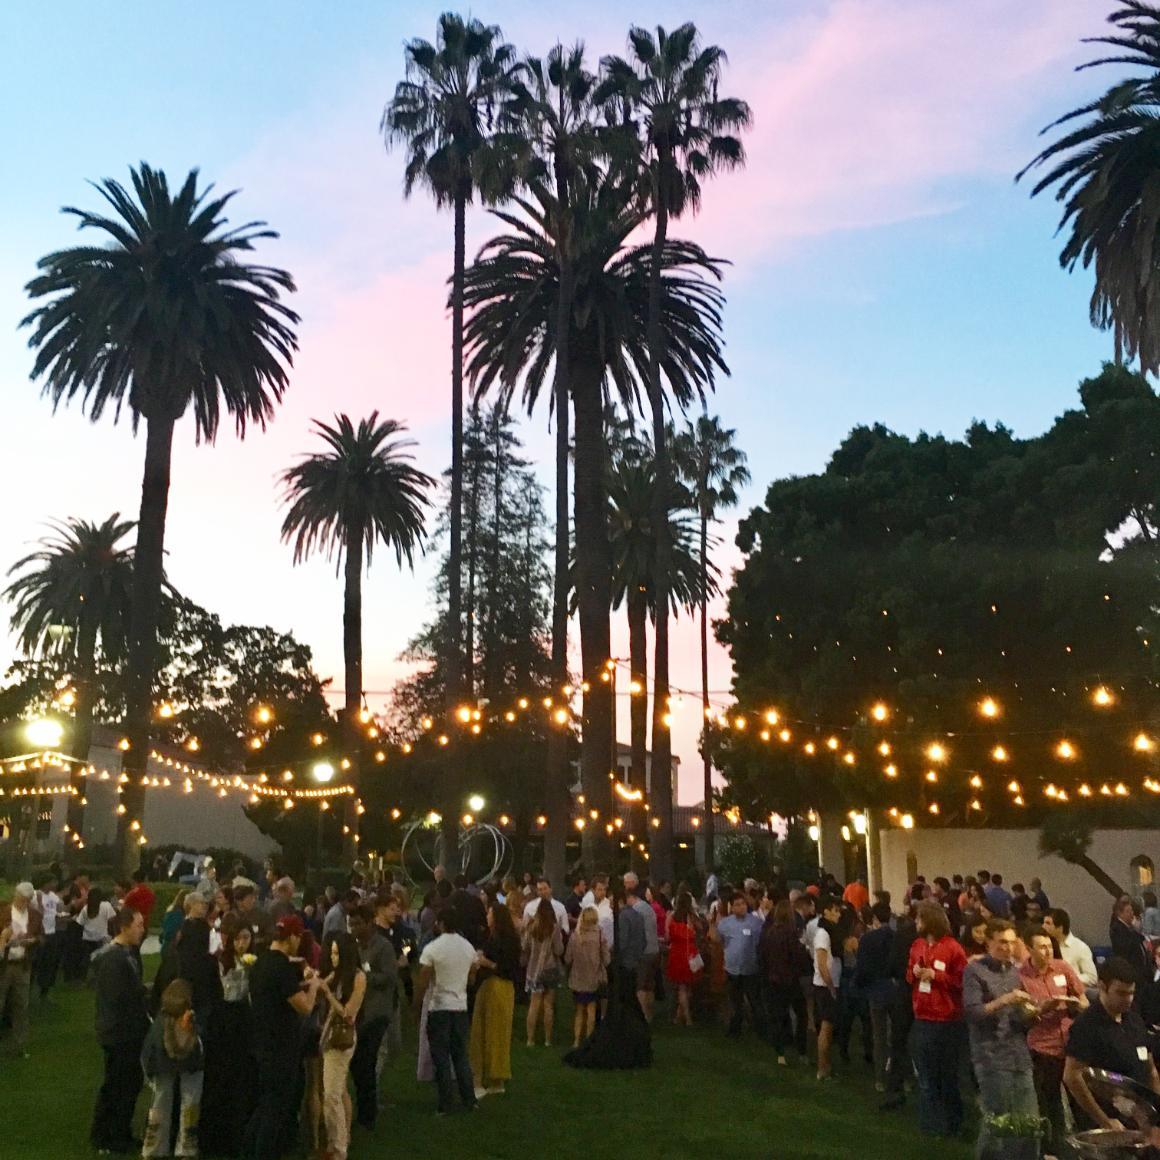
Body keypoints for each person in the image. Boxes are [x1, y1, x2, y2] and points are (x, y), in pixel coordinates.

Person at [244, 915, 320, 1160]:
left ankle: (248, 1149)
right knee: (275, 1108)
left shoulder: (260, 962)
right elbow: (305, 1007)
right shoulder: (282, 968)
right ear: (293, 937)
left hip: (261, 1040)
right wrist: (315, 985)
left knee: (264, 1103)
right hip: (281, 1046)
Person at [963, 918, 1040, 1159]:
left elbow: (1018, 1019)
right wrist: (1005, 1000)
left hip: (1019, 1055)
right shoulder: (975, 971)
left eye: (1011, 942)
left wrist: (1034, 1013)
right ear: (988, 943)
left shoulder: (1015, 973)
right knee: (999, 1122)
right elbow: (973, 1012)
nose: (1007, 948)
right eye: (1001, 942)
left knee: (1029, 1123)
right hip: (991, 1057)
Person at [1065, 956, 1160, 1131]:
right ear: (1102, 986)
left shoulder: (1135, 1021)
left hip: (1140, 1119)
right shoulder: (1087, 1025)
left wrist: (1157, 1113)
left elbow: (1151, 1069)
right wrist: (1104, 1120)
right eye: (1121, 993)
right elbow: (1072, 1076)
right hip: (1108, 1121)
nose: (1128, 999)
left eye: (1131, 993)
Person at [1020, 925, 1088, 1155]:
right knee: (1050, 1102)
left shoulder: (1062, 967)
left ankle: (1085, 1143)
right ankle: (1055, 1147)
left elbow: (1082, 996)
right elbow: (1022, 1014)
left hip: (1069, 1042)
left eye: (1050, 946)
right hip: (1042, 1045)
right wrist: (1041, 1008)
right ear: (1029, 948)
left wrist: (1078, 1005)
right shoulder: (1021, 976)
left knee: (1079, 1098)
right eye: (1042, 947)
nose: (1048, 951)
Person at [91, 907, 150, 1155]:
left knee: (125, 1084)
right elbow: (119, 998)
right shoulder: (114, 959)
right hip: (120, 1033)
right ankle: (111, 1135)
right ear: (124, 926)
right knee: (120, 1085)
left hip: (124, 1030)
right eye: (138, 924)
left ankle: (115, 1131)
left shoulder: (126, 953)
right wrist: (143, 994)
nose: (142, 929)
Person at [907, 901, 967, 1137]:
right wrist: (914, 973)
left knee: (948, 1074)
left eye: (919, 919)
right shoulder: (917, 945)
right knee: (926, 1074)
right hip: (922, 1016)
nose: (915, 923)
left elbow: (961, 982)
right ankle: (930, 1124)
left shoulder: (953, 949)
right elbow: (908, 973)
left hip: (947, 1019)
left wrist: (937, 976)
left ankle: (953, 1122)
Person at [201, 916, 255, 1158]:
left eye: (247, 937)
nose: (244, 943)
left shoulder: (251, 961)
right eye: (239, 938)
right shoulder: (218, 962)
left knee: (241, 1077)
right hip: (223, 1023)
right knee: (221, 1078)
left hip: (243, 1022)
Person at [416, 906, 478, 1115]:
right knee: (461, 1056)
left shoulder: (433, 948)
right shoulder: (467, 947)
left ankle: (445, 1103)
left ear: (441, 923)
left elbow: (424, 979)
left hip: (439, 1006)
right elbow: (473, 973)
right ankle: (470, 1099)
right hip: (460, 1007)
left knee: (441, 1057)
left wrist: (416, 1005)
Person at [141, 978, 205, 1159]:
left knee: (161, 1100)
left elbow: (149, 1057)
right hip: (183, 1064)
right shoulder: (190, 1022)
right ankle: (186, 1147)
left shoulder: (158, 1027)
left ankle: (154, 1148)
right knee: (189, 1101)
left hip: (164, 1064)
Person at [318, 932, 366, 1160]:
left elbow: (349, 1014)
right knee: (340, 1089)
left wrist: (328, 995)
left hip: (342, 1038)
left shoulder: (358, 977)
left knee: (332, 1095)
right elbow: (316, 984)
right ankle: (339, 1140)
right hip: (329, 1036)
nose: (333, 957)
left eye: (337, 953)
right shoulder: (336, 974)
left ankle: (338, 1149)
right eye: (331, 953)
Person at [348, 905, 396, 1131]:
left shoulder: (383, 947)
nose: (354, 928)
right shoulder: (355, 946)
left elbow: (389, 978)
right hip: (359, 1012)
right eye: (351, 924)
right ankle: (364, 1109)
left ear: (369, 923)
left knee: (366, 1063)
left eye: (358, 923)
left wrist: (363, 977)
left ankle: (368, 1116)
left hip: (377, 1012)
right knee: (358, 1064)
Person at [470, 901, 521, 1096]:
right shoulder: (492, 936)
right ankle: (487, 1075)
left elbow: (508, 968)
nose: (487, 916)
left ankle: (495, 1077)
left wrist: (487, 962)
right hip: (488, 986)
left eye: (490, 913)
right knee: (484, 1030)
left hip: (499, 987)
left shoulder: (508, 940)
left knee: (496, 1032)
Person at [711, 888, 766, 1041]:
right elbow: (718, 940)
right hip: (733, 969)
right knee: (736, 1002)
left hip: (751, 969)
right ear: (732, 907)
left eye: (743, 904)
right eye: (737, 904)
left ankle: (761, 1030)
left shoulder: (756, 922)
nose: (741, 907)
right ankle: (735, 1029)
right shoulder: (725, 924)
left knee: (755, 1001)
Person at [760, 898, 810, 1065]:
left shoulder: (769, 933)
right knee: (801, 1014)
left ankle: (780, 1053)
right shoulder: (790, 934)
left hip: (774, 980)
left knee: (778, 1016)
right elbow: (797, 958)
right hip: (790, 980)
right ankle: (801, 1050)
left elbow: (762, 956)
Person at [853, 901, 896, 1091]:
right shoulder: (897, 938)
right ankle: (901, 1075)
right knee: (897, 1034)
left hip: (876, 991)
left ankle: (880, 1078)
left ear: (875, 919)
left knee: (879, 1035)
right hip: (894, 990)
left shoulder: (868, 940)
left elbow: (862, 968)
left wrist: (860, 985)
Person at [0, 881, 43, 1057]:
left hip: (22, 966)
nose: (23, 903)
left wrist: (33, 941)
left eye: (27, 900)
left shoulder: (34, 915)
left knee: (21, 1006)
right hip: (3, 965)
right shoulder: (3, 912)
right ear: (16, 896)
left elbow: (42, 936)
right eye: (21, 899)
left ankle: (18, 1046)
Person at [565, 904, 610, 1046]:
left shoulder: (575, 935)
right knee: (591, 1010)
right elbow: (607, 959)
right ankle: (589, 1039)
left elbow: (567, 958)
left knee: (579, 1010)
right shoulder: (600, 935)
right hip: (594, 977)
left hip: (578, 977)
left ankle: (576, 1040)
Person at [522, 896, 564, 1047]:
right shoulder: (554, 927)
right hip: (550, 969)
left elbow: (524, 946)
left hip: (534, 971)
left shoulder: (531, 926)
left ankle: (530, 1039)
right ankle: (547, 1039)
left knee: (534, 1005)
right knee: (548, 1005)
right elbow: (559, 950)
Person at [810, 896, 843, 1080]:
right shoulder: (823, 934)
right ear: (826, 912)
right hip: (825, 986)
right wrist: (831, 986)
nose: (838, 914)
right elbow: (822, 964)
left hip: (829, 984)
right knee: (826, 1027)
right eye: (835, 910)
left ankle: (826, 1064)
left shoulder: (831, 932)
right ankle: (823, 1068)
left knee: (828, 1027)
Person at [623, 876, 660, 1023]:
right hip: (655, 950)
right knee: (649, 985)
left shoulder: (635, 911)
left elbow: (636, 934)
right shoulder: (648, 907)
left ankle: (642, 1016)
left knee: (640, 986)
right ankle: (650, 1014)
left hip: (644, 952)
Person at [665, 891, 701, 1028]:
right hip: (691, 953)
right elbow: (700, 929)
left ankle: (683, 1017)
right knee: (689, 986)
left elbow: (667, 937)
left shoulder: (671, 916)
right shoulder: (692, 917)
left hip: (677, 953)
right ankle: (685, 1016)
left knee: (681, 987)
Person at [1043, 908, 1098, 988]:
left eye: (1048, 923)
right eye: (1044, 923)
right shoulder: (1045, 944)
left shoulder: (1080, 947)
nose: (1043, 926)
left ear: (1060, 928)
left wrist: (1068, 977)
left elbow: (1092, 978)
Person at [1110, 894, 1150, 997]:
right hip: (1132, 971)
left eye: (1132, 911)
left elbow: (1141, 938)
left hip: (1142, 973)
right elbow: (1125, 948)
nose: (1132, 914)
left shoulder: (1130, 928)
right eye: (1128, 911)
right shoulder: (1117, 929)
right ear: (1120, 913)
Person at [34, 873, 63, 1000]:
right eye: (52, 882)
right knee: (38, 961)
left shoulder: (53, 896)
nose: (54, 885)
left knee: (49, 961)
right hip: (41, 932)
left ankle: (44, 990)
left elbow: (55, 911)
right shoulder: (36, 895)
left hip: (52, 931)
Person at [81, 886, 118, 976]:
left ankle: (87, 976)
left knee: (88, 958)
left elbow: (81, 921)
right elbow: (112, 919)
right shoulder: (106, 905)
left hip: (88, 937)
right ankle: (100, 976)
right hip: (102, 936)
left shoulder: (86, 907)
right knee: (102, 957)